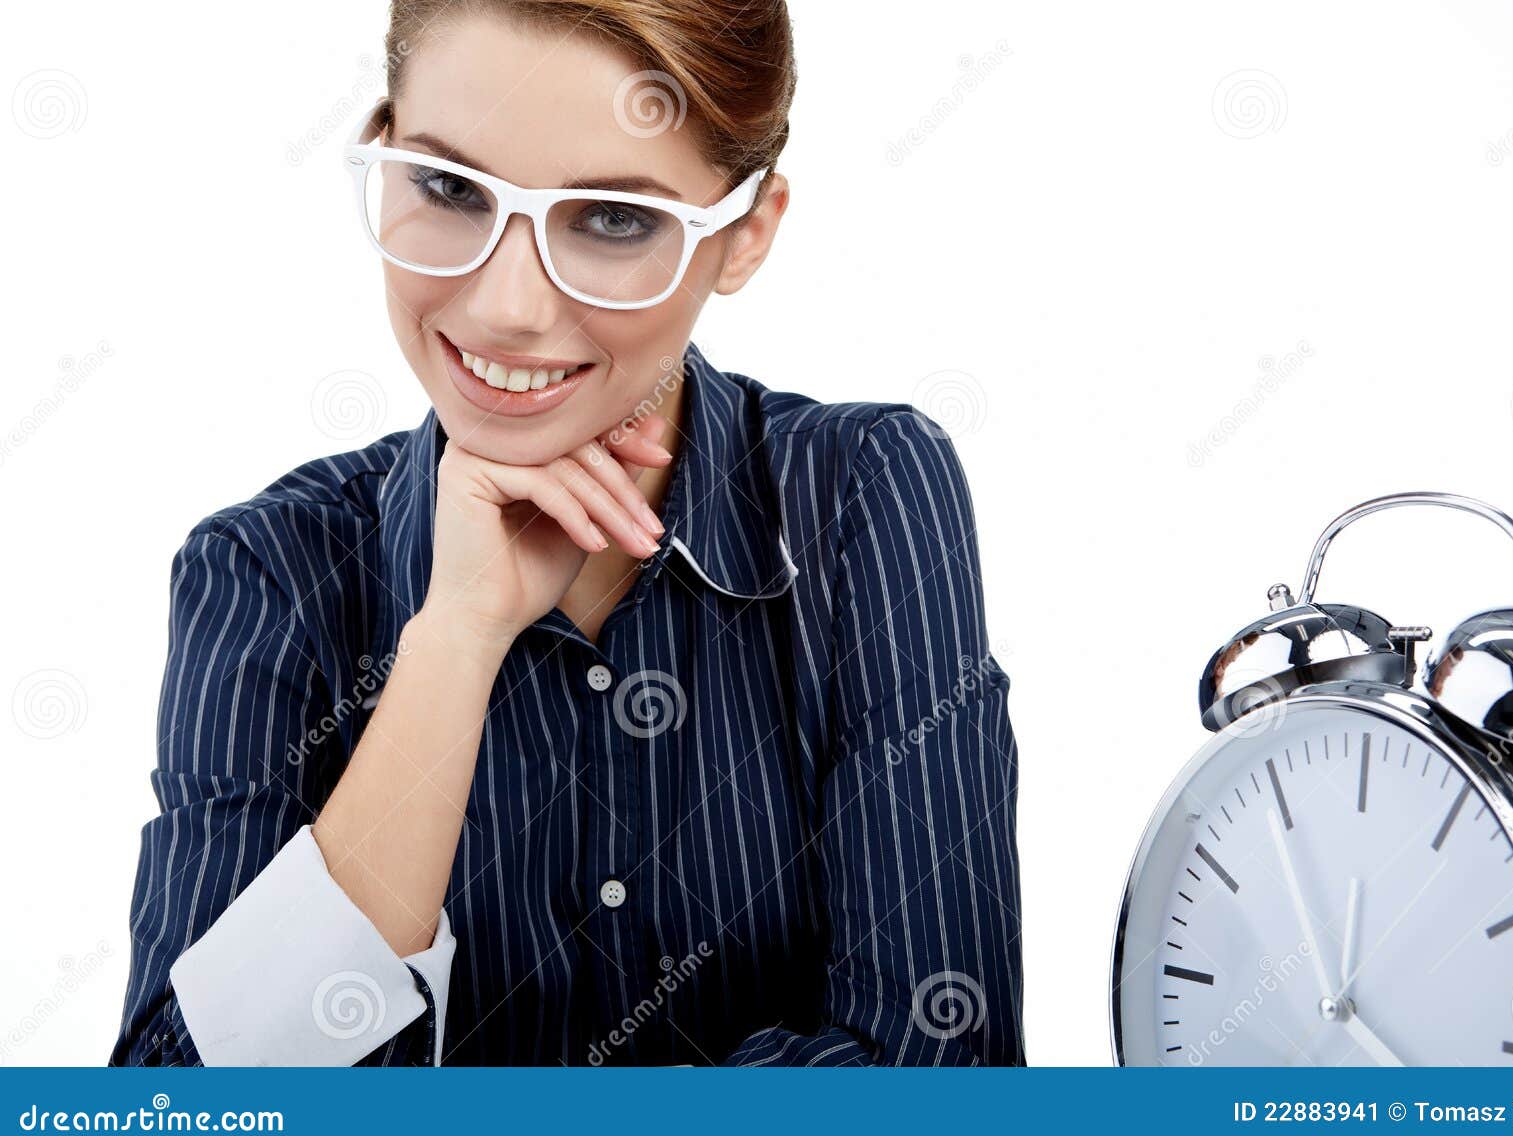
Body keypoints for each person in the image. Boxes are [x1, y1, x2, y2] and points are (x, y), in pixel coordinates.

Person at [111, 0, 1022, 1066]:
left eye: (613, 220)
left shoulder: (860, 493)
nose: (507, 305)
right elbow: (174, 1114)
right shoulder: (266, 571)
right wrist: (455, 639)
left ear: (745, 234)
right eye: (450, 189)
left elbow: (943, 1074)